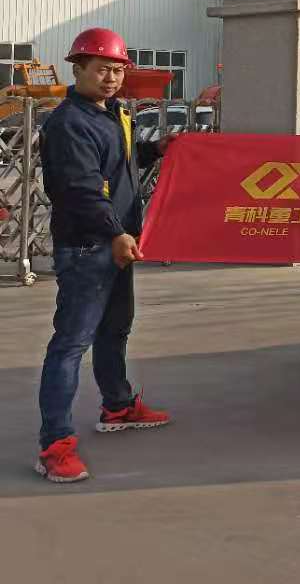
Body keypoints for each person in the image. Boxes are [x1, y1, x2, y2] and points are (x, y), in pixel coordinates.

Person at [35, 29, 172, 483]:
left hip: (116, 244)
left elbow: (121, 167)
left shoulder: (112, 113)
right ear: (80, 69)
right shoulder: (68, 122)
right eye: (102, 69)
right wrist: (115, 233)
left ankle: (117, 406)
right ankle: (54, 445)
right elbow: (79, 189)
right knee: (71, 344)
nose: (111, 78)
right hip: (87, 247)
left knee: (115, 330)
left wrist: (159, 150)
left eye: (117, 70)